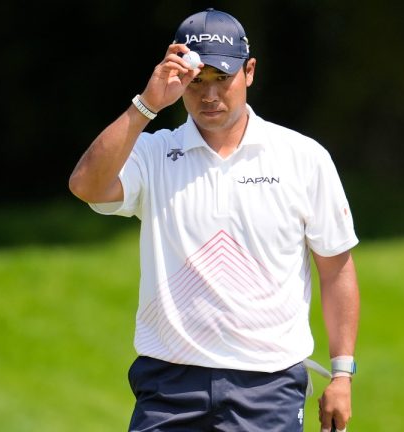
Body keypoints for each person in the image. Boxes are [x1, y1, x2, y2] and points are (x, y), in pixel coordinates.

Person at [68, 8, 359, 432]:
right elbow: (86, 185)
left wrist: (342, 374)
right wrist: (147, 104)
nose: (209, 95)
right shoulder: (154, 153)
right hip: (169, 384)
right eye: (196, 80)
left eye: (222, 78)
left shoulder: (303, 158)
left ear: (250, 71)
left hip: (269, 385)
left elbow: (336, 269)